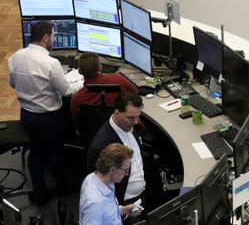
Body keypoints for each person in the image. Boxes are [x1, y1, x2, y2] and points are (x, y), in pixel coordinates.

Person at [8, 20, 83, 203]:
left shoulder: (15, 57)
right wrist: (82, 80)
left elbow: (12, 83)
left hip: (26, 114)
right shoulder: (51, 63)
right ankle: (61, 186)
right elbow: (66, 91)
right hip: (49, 118)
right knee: (56, 152)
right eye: (53, 36)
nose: (54, 40)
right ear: (46, 37)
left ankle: (39, 192)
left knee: (36, 152)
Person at [86, 92, 147, 210]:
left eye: (137, 117)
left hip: (142, 192)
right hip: (124, 202)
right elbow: (97, 186)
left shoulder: (129, 126)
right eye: (130, 117)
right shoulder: (101, 146)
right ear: (117, 113)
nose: (135, 122)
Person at [70, 52, 138, 127]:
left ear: (79, 71)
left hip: (94, 135)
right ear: (100, 67)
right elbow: (135, 92)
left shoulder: (76, 99)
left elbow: (78, 125)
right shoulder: (118, 79)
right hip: (121, 128)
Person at [80, 143, 139, 224]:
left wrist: (122, 210)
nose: (127, 174)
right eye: (126, 170)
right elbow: (100, 209)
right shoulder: (95, 204)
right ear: (112, 169)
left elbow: (106, 212)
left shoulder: (93, 177)